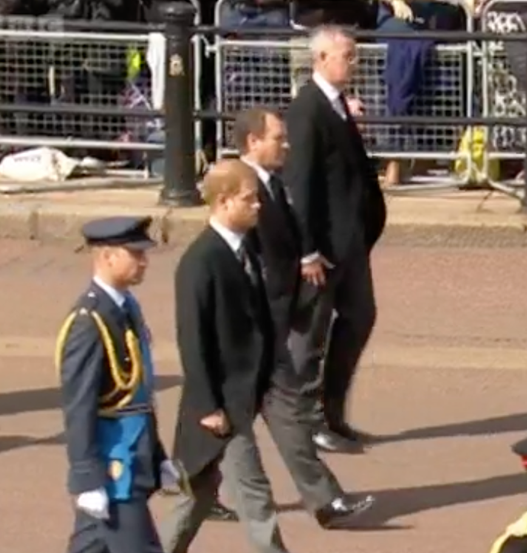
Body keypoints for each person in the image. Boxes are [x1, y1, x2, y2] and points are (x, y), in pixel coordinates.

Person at [236, 106, 375, 528]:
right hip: (246, 333)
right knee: (221, 425)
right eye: (278, 138)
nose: (286, 145)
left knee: (286, 415)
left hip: (274, 325)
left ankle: (325, 501)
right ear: (252, 142)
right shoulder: (238, 189)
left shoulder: (273, 184)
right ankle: (189, 486)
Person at [159, 159, 284, 553]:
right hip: (220, 406)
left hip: (240, 395)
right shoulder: (201, 261)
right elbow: (192, 339)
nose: (258, 206)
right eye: (250, 199)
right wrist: (209, 405)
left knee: (198, 494)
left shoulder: (242, 248)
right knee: (255, 495)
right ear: (225, 201)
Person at [282, 25, 387, 454]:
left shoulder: (337, 105)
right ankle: (308, 424)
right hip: (322, 249)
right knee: (310, 339)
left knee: (360, 317)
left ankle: (334, 412)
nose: (354, 61)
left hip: (350, 241)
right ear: (321, 59)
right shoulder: (307, 110)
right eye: (347, 55)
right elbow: (301, 186)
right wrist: (306, 250)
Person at [55, 216, 184, 553]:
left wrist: (157, 455)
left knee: (92, 544)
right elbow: (78, 405)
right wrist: (86, 478)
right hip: (114, 465)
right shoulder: (89, 321)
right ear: (108, 256)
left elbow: (140, 393)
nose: (144, 262)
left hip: (134, 455)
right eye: (135, 254)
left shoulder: (127, 307)